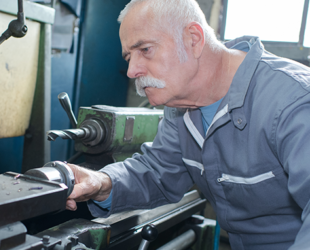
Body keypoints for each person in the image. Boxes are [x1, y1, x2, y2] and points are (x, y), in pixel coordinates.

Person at [65, 0, 310, 249]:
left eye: (145, 50)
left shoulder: (294, 101)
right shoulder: (181, 108)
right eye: (129, 56)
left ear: (193, 39)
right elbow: (158, 172)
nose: (131, 70)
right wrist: (101, 182)